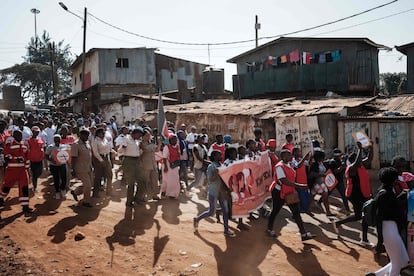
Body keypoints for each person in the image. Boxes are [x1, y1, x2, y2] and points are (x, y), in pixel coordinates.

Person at [365, 167, 409, 276]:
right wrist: (380, 241)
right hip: (389, 229)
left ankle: (375, 275)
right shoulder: (385, 194)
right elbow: (380, 218)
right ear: (393, 180)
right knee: (397, 264)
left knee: (403, 261)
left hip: (392, 229)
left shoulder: (386, 191)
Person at [266, 149, 315, 241]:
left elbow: (298, 166)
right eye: (289, 155)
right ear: (284, 157)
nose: (292, 156)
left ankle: (303, 233)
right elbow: (283, 180)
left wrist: (305, 156)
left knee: (296, 212)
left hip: (289, 191)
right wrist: (299, 186)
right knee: (275, 210)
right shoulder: (279, 166)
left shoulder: (289, 163)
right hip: (279, 192)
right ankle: (269, 228)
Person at [332, 142, 374, 247]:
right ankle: (339, 223)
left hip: (363, 194)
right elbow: (358, 161)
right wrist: (359, 149)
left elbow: (369, 158)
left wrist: (371, 147)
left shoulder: (360, 165)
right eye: (359, 160)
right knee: (360, 216)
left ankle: (339, 223)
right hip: (355, 195)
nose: (361, 161)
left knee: (362, 216)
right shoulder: (351, 168)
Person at [193, 150, 235, 237]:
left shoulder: (221, 165)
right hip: (213, 191)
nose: (221, 156)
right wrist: (216, 174)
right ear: (215, 157)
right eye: (219, 155)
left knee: (225, 211)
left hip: (222, 192)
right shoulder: (211, 167)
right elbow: (209, 180)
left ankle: (226, 230)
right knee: (211, 212)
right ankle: (197, 219)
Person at [0, 130, 33, 213]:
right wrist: (15, 159)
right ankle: (0, 198)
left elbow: (27, 157)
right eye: (17, 135)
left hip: (23, 170)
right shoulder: (10, 144)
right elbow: (6, 156)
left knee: (24, 187)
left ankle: (25, 206)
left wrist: (28, 169)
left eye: (20, 135)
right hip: (12, 170)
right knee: (7, 186)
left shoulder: (25, 145)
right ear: (14, 136)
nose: (19, 136)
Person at [119, 128, 145, 206]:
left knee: (142, 181)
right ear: (135, 134)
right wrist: (123, 147)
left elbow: (138, 153)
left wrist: (141, 149)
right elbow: (120, 150)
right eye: (139, 135)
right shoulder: (126, 139)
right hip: (128, 161)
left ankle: (137, 198)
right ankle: (129, 201)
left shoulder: (137, 141)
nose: (140, 137)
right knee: (131, 183)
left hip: (136, 161)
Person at [322, 148, 350, 214]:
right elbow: (336, 171)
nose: (339, 156)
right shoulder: (332, 162)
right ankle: (320, 201)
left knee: (344, 195)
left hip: (339, 181)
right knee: (328, 193)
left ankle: (347, 208)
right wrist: (343, 164)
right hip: (333, 181)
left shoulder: (340, 161)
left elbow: (343, 171)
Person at [70, 129, 93, 208]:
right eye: (85, 135)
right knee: (88, 185)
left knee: (89, 184)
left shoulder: (87, 143)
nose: (87, 137)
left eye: (87, 136)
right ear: (81, 135)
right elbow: (73, 158)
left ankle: (75, 192)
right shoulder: (76, 144)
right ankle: (86, 201)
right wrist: (72, 169)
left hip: (88, 167)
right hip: (80, 168)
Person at [308, 150, 334, 217]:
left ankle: (328, 212)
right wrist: (322, 175)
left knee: (324, 198)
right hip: (316, 183)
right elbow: (311, 174)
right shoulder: (314, 165)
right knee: (312, 198)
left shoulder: (322, 164)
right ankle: (308, 209)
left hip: (322, 183)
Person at [140, 129, 161, 201]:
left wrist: (159, 143)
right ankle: (142, 195)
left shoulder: (151, 143)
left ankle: (155, 195)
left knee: (155, 180)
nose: (148, 136)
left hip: (153, 164)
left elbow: (157, 150)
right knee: (145, 181)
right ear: (143, 136)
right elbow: (145, 150)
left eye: (149, 135)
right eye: (146, 135)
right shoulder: (141, 144)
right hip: (145, 165)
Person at [91, 128, 113, 197]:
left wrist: (111, 152)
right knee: (98, 177)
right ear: (98, 133)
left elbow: (108, 148)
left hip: (107, 157)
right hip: (99, 159)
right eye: (102, 133)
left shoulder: (105, 139)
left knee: (110, 175)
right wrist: (101, 160)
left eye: (104, 133)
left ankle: (109, 191)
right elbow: (95, 153)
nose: (103, 134)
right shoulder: (95, 141)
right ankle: (95, 193)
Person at [45, 134, 68, 199]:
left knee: (64, 178)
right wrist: (51, 160)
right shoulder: (50, 147)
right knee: (56, 179)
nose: (57, 140)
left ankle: (63, 189)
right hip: (54, 165)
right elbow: (46, 155)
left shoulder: (64, 146)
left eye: (58, 139)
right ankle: (57, 192)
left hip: (62, 164)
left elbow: (67, 154)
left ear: (60, 140)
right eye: (56, 139)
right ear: (54, 140)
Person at [160, 133, 181, 199]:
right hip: (167, 165)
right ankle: (163, 193)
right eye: (173, 139)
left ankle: (172, 194)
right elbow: (164, 157)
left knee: (175, 180)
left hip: (174, 165)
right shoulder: (167, 147)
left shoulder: (177, 146)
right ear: (170, 140)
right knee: (166, 180)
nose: (175, 141)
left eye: (175, 139)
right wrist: (166, 167)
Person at [26, 126, 44, 192]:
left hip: (40, 159)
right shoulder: (28, 140)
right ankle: (35, 186)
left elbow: (42, 147)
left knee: (39, 172)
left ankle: (34, 179)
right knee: (35, 174)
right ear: (32, 132)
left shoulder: (40, 139)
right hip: (33, 159)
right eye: (35, 132)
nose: (37, 133)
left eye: (38, 132)